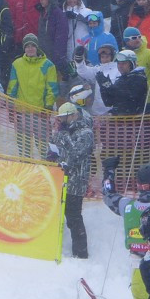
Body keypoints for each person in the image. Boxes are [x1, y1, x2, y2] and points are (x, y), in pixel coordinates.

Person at [103, 160, 150, 299]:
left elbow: (108, 194)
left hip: (138, 266)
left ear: (139, 185)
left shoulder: (127, 206)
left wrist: (109, 170)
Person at [48, 102, 93, 257]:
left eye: (63, 118)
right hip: (59, 178)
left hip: (76, 181)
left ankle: (81, 254)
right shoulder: (63, 131)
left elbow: (75, 154)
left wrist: (63, 136)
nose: (60, 121)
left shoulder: (85, 133)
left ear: (72, 115)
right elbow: (52, 150)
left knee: (74, 217)